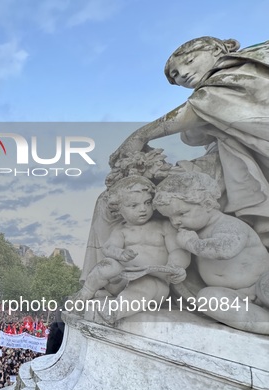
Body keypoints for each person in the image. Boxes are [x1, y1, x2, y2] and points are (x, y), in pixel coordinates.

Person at [109, 36, 269, 246]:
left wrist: (141, 135)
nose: (183, 74)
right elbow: (197, 132)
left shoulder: (243, 68)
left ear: (223, 49)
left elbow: (201, 106)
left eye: (190, 61)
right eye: (176, 75)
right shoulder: (213, 100)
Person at [154, 171, 269, 334]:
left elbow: (225, 249)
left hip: (261, 282)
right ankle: (264, 323)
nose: (175, 221)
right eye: (170, 217)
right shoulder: (192, 232)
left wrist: (191, 243)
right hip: (236, 294)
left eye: (181, 213)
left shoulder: (228, 224)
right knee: (207, 299)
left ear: (207, 204)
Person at [76, 176, 189, 321]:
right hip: (122, 281)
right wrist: (120, 253)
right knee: (107, 265)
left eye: (147, 203)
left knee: (144, 284)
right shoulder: (121, 230)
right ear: (119, 209)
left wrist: (176, 267)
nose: (143, 209)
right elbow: (108, 247)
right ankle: (85, 293)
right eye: (134, 206)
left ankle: (116, 311)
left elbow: (178, 251)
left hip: (155, 283)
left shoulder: (164, 226)